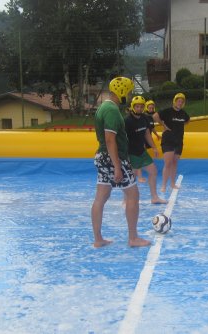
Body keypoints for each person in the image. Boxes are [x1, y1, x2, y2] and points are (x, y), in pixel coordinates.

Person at [90, 76, 151, 248]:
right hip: (113, 158)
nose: (131, 95)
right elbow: (110, 140)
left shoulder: (103, 107)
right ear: (122, 92)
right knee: (133, 195)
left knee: (101, 197)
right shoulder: (111, 111)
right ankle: (133, 238)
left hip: (103, 156)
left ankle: (98, 239)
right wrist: (118, 166)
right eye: (129, 91)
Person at [125, 95, 168, 205]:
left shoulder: (144, 118)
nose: (139, 108)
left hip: (142, 152)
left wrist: (154, 147)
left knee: (153, 171)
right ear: (133, 107)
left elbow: (147, 133)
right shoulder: (127, 121)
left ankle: (154, 197)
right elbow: (122, 138)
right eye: (137, 106)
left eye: (141, 106)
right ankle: (126, 200)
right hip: (131, 153)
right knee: (132, 177)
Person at [153, 92, 190, 193]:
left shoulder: (183, 113)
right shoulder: (168, 111)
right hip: (168, 140)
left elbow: (187, 120)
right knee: (168, 163)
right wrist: (163, 125)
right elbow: (155, 116)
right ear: (174, 101)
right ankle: (164, 185)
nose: (180, 103)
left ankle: (172, 183)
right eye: (178, 101)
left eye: (182, 102)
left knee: (174, 163)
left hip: (178, 141)